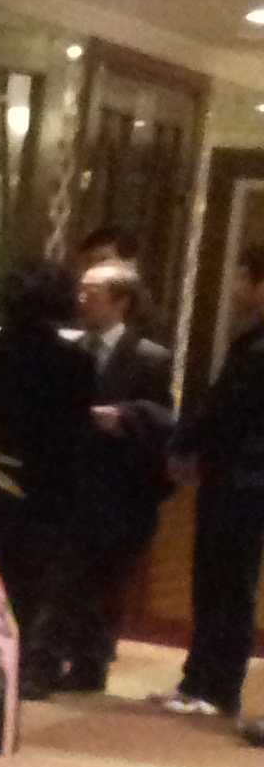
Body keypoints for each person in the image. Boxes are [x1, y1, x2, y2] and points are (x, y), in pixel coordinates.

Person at [0, 260, 94, 695]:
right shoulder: (76, 360)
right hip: (42, 495)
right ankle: (6, 693)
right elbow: (75, 437)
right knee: (23, 597)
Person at [45, 260, 174, 695]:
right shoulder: (68, 349)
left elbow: (162, 423)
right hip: (70, 482)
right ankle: (45, 660)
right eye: (80, 292)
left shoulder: (150, 358)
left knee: (107, 582)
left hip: (119, 486)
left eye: (93, 294)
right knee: (62, 579)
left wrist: (125, 418)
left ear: (121, 302)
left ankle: (90, 663)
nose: (82, 301)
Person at [165, 244, 264, 722]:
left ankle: (217, 686)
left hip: (243, 478)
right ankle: (200, 678)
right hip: (234, 475)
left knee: (227, 583)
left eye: (243, 277)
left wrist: (187, 445)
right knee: (216, 580)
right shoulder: (252, 338)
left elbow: (226, 412)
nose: (236, 288)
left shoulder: (258, 346)